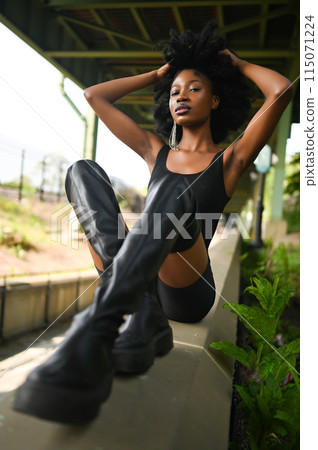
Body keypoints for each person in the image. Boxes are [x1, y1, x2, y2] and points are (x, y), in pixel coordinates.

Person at [13, 21, 293, 424]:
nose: (182, 96)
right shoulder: (155, 151)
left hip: (188, 289)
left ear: (215, 101)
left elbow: (281, 90)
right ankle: (144, 313)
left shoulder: (229, 159)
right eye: (175, 91)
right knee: (82, 171)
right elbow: (94, 95)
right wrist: (157, 74)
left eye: (195, 89)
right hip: (147, 283)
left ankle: (99, 331)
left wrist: (235, 63)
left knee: (172, 195)